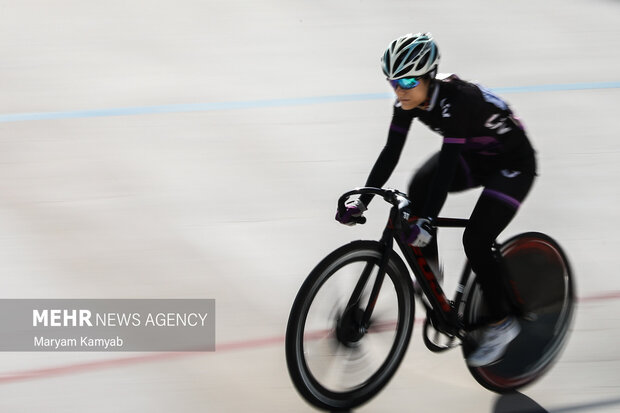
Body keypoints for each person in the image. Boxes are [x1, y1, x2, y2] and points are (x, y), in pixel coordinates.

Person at [335, 32, 536, 367]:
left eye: (409, 81)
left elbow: (446, 167)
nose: (400, 90)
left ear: (429, 76)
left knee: (476, 238)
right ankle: (432, 279)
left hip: (512, 164)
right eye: (393, 82)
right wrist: (364, 199)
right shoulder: (407, 101)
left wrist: (426, 219)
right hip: (476, 156)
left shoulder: (459, 100)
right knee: (419, 184)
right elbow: (390, 153)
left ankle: (503, 322)